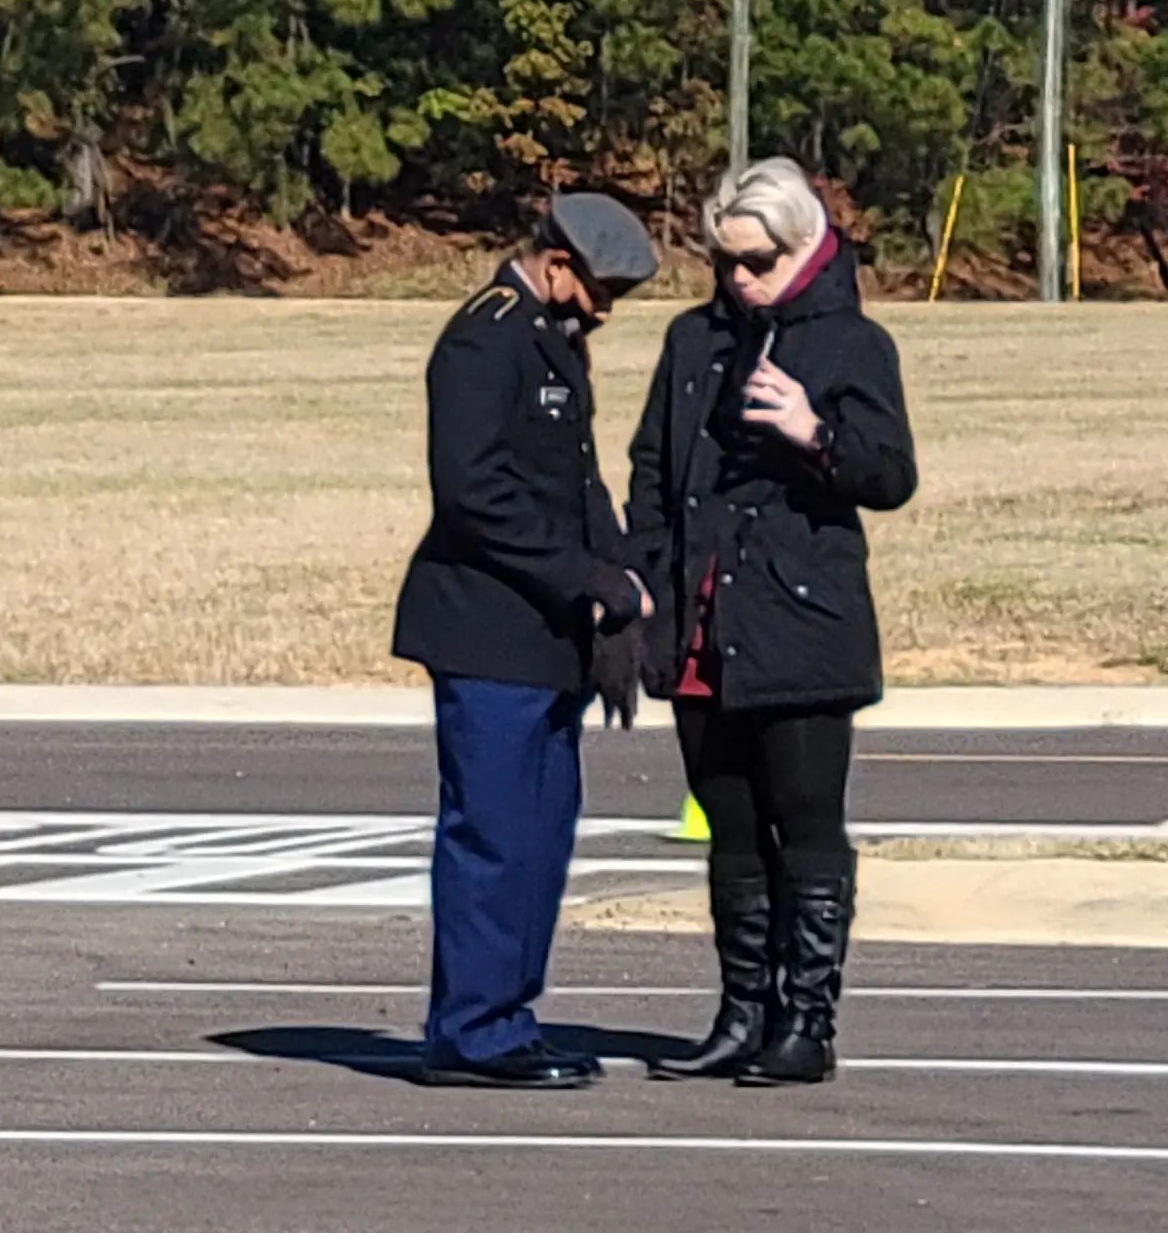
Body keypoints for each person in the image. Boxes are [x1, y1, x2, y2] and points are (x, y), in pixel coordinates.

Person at [624, 157, 917, 1086]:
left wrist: (812, 433)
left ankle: (806, 1023)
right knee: (732, 826)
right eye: (725, 262)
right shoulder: (692, 341)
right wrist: (647, 583)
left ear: (803, 250)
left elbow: (890, 476)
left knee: (806, 823)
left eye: (758, 262)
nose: (740, 279)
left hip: (802, 623)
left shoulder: (852, 345)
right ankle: (740, 1012)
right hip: (702, 620)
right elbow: (651, 470)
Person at [393, 192, 657, 1090]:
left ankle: (509, 1017)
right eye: (599, 291)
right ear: (556, 263)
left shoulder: (552, 339)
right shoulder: (486, 338)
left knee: (541, 837)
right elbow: (474, 497)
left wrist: (620, 586)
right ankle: (471, 1031)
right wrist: (586, 579)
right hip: (488, 630)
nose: (605, 311)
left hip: (547, 635)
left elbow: (576, 483)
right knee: (495, 835)